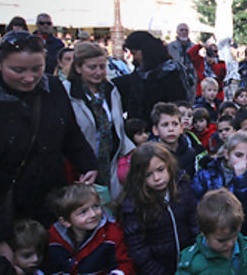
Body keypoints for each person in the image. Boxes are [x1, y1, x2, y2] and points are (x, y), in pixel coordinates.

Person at [0, 31, 98, 262]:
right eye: (18, 70)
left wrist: (86, 163)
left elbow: (69, 131)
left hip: (47, 202)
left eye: (36, 69)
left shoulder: (53, 87)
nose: (29, 78)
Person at [63, 42, 136, 199]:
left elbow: (118, 128)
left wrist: (130, 150)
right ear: (78, 68)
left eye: (102, 67)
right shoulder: (67, 93)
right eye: (92, 67)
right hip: (80, 168)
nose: (98, 72)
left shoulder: (111, 91)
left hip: (111, 165)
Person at [113, 142, 199, 275]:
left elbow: (195, 224)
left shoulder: (182, 187)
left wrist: (193, 258)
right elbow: (137, 248)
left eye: (160, 169)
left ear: (169, 166)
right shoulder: (134, 204)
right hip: (157, 268)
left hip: (187, 263)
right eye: (148, 175)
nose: (157, 178)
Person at [176, 189, 247, 275]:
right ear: (204, 233)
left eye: (234, 236)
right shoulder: (191, 262)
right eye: (222, 240)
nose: (230, 244)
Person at [44, 184, 133, 275]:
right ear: (66, 221)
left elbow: (124, 263)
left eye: (96, 206)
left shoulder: (111, 234)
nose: (93, 214)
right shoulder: (53, 239)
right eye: (83, 212)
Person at [113, 31, 188, 124]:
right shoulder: (140, 71)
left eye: (134, 53)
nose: (134, 58)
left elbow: (177, 104)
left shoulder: (170, 72)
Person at [192, 133, 247, 201]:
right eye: (238, 155)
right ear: (226, 154)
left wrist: (241, 180)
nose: (244, 161)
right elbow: (196, 198)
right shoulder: (207, 172)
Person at [151, 102, 202, 181]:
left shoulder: (190, 153)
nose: (171, 129)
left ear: (181, 128)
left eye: (175, 124)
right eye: (165, 125)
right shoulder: (151, 155)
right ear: (155, 130)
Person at [168, 23, 199, 101]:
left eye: (186, 30)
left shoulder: (194, 47)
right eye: (181, 30)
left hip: (191, 80)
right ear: (177, 32)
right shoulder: (170, 47)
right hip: (175, 80)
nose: (184, 32)